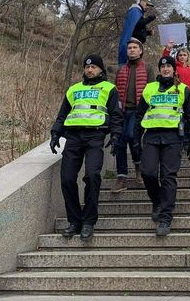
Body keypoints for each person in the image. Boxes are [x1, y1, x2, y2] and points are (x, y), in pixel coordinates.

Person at [49, 54, 124, 241]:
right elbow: (62, 114)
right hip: (73, 138)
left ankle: (89, 221)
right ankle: (74, 221)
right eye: (87, 67)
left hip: (95, 136)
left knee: (92, 176)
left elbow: (116, 115)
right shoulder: (73, 89)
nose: (89, 70)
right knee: (67, 179)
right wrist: (55, 133)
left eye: (94, 67)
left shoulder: (109, 88)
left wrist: (115, 135)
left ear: (101, 69)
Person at [136, 56, 190, 236]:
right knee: (148, 173)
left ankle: (165, 218)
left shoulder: (183, 89)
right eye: (163, 67)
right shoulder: (149, 89)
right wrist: (135, 140)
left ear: (173, 69)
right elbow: (139, 115)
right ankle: (157, 201)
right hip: (151, 137)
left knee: (168, 177)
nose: (166, 69)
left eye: (169, 66)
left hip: (173, 138)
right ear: (159, 70)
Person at [112, 38, 150, 192]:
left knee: (131, 136)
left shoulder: (147, 68)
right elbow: (115, 89)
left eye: (135, 47)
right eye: (129, 48)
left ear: (140, 50)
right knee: (120, 142)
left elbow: (152, 89)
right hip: (122, 111)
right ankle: (122, 177)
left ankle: (139, 165)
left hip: (138, 110)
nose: (132, 50)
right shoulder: (121, 69)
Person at [118, 0, 156, 65]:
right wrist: (150, 18)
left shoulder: (139, 13)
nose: (148, 7)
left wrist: (148, 33)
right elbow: (138, 24)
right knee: (133, 64)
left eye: (149, 6)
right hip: (134, 42)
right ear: (142, 2)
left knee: (136, 65)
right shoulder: (135, 11)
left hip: (137, 42)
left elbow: (136, 29)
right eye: (147, 5)